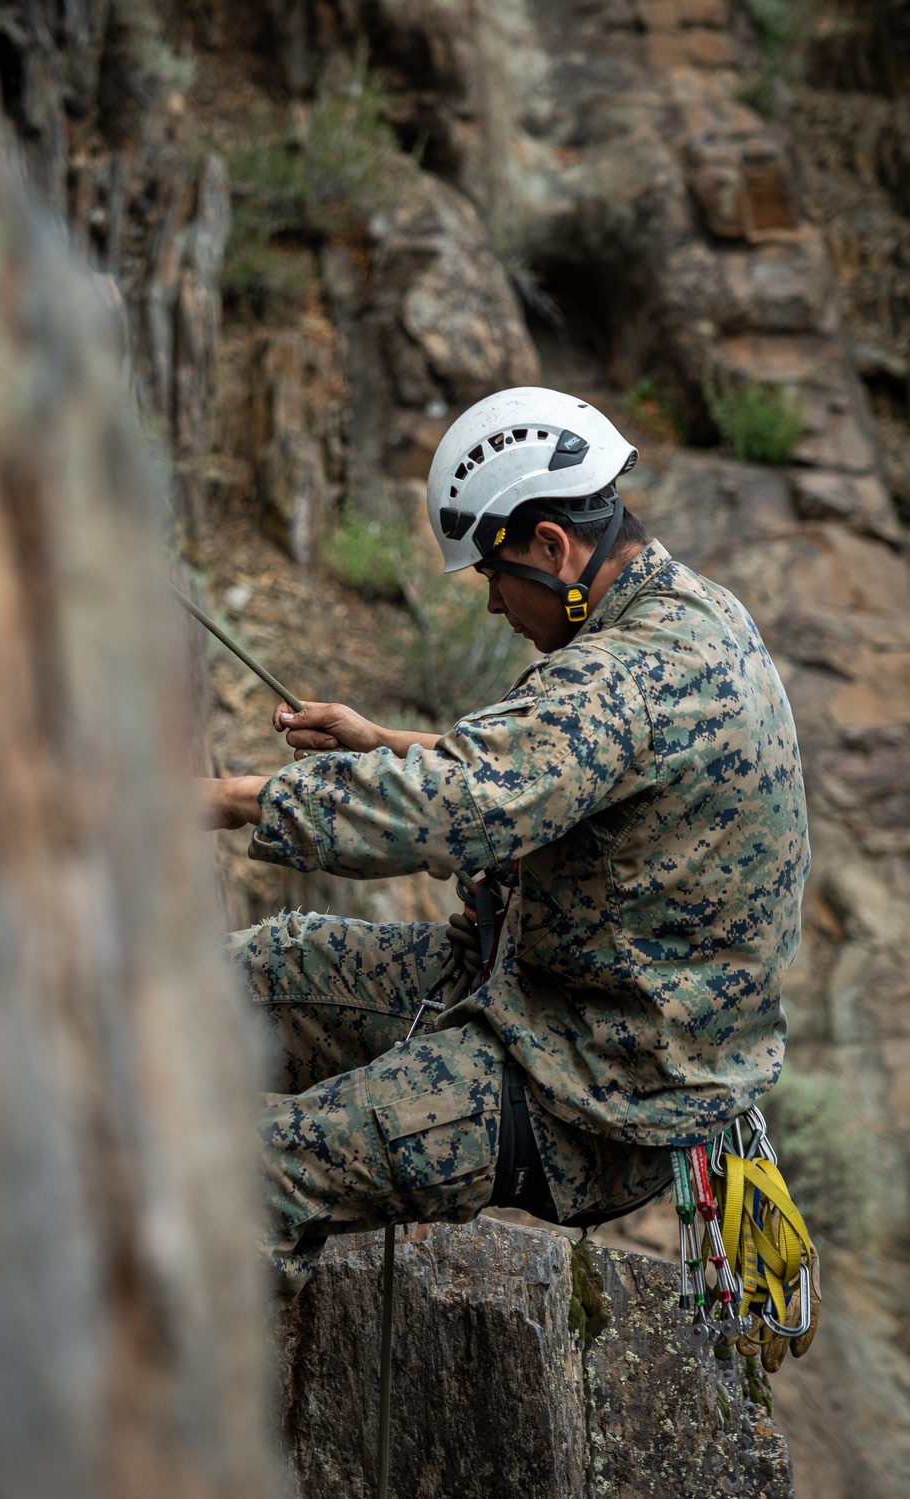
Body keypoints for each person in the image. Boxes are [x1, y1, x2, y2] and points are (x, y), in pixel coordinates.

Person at [202, 387, 809, 1298]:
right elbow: (556, 765)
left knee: (253, 1173)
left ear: (554, 548)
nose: (492, 603)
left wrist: (232, 798)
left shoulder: (624, 673)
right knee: (260, 970)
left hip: (593, 1089)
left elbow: (459, 806)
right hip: (554, 1005)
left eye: (494, 572)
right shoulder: (697, 615)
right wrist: (385, 743)